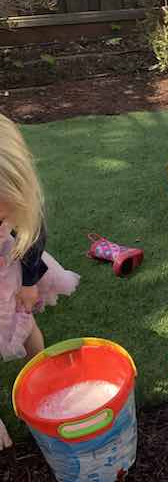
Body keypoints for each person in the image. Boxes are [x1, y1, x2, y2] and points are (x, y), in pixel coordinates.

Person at [0, 113, 80, 449]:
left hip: (10, 275)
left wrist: (30, 283)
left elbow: (32, 238)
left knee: (26, 323)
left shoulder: (22, 210)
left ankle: (44, 376)